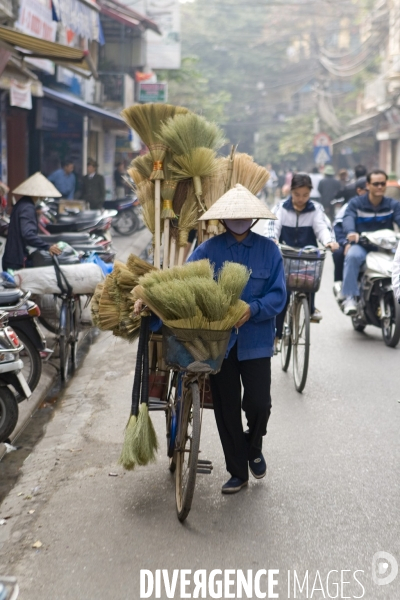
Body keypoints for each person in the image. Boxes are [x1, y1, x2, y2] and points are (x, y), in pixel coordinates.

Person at [187, 185, 286, 494]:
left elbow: (278, 295)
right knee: (226, 407)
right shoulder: (207, 250)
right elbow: (187, 283)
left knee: (259, 404)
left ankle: (253, 445)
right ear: (224, 219)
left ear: (254, 218)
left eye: (245, 214)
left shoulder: (269, 251)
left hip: (256, 341)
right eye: (234, 215)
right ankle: (237, 471)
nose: (240, 219)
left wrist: (253, 309)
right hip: (220, 343)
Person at [265, 173, 338, 344]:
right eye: (297, 194)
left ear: (310, 193)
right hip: (286, 256)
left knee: (309, 283)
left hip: (308, 257)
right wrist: (272, 239)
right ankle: (277, 335)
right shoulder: (281, 208)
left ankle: (310, 309)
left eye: (305, 195)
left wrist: (329, 242)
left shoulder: (316, 209)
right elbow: (272, 226)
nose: (301, 199)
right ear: (291, 191)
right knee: (284, 292)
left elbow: (323, 228)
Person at [341, 169, 400, 315]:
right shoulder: (356, 203)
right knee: (352, 256)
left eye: (382, 183)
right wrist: (351, 232)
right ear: (368, 185)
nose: (380, 187)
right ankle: (349, 297)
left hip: (385, 248)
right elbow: (348, 217)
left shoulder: (392, 205)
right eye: (376, 184)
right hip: (362, 246)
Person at [2, 172, 62, 272]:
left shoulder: (22, 203)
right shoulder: (27, 207)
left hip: (12, 258)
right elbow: (28, 234)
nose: (43, 197)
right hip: (16, 261)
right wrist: (47, 247)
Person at [332, 176, 367, 282]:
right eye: (368, 190)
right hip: (352, 242)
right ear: (359, 191)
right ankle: (340, 283)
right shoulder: (350, 205)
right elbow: (338, 227)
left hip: (372, 243)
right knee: (339, 253)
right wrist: (346, 242)